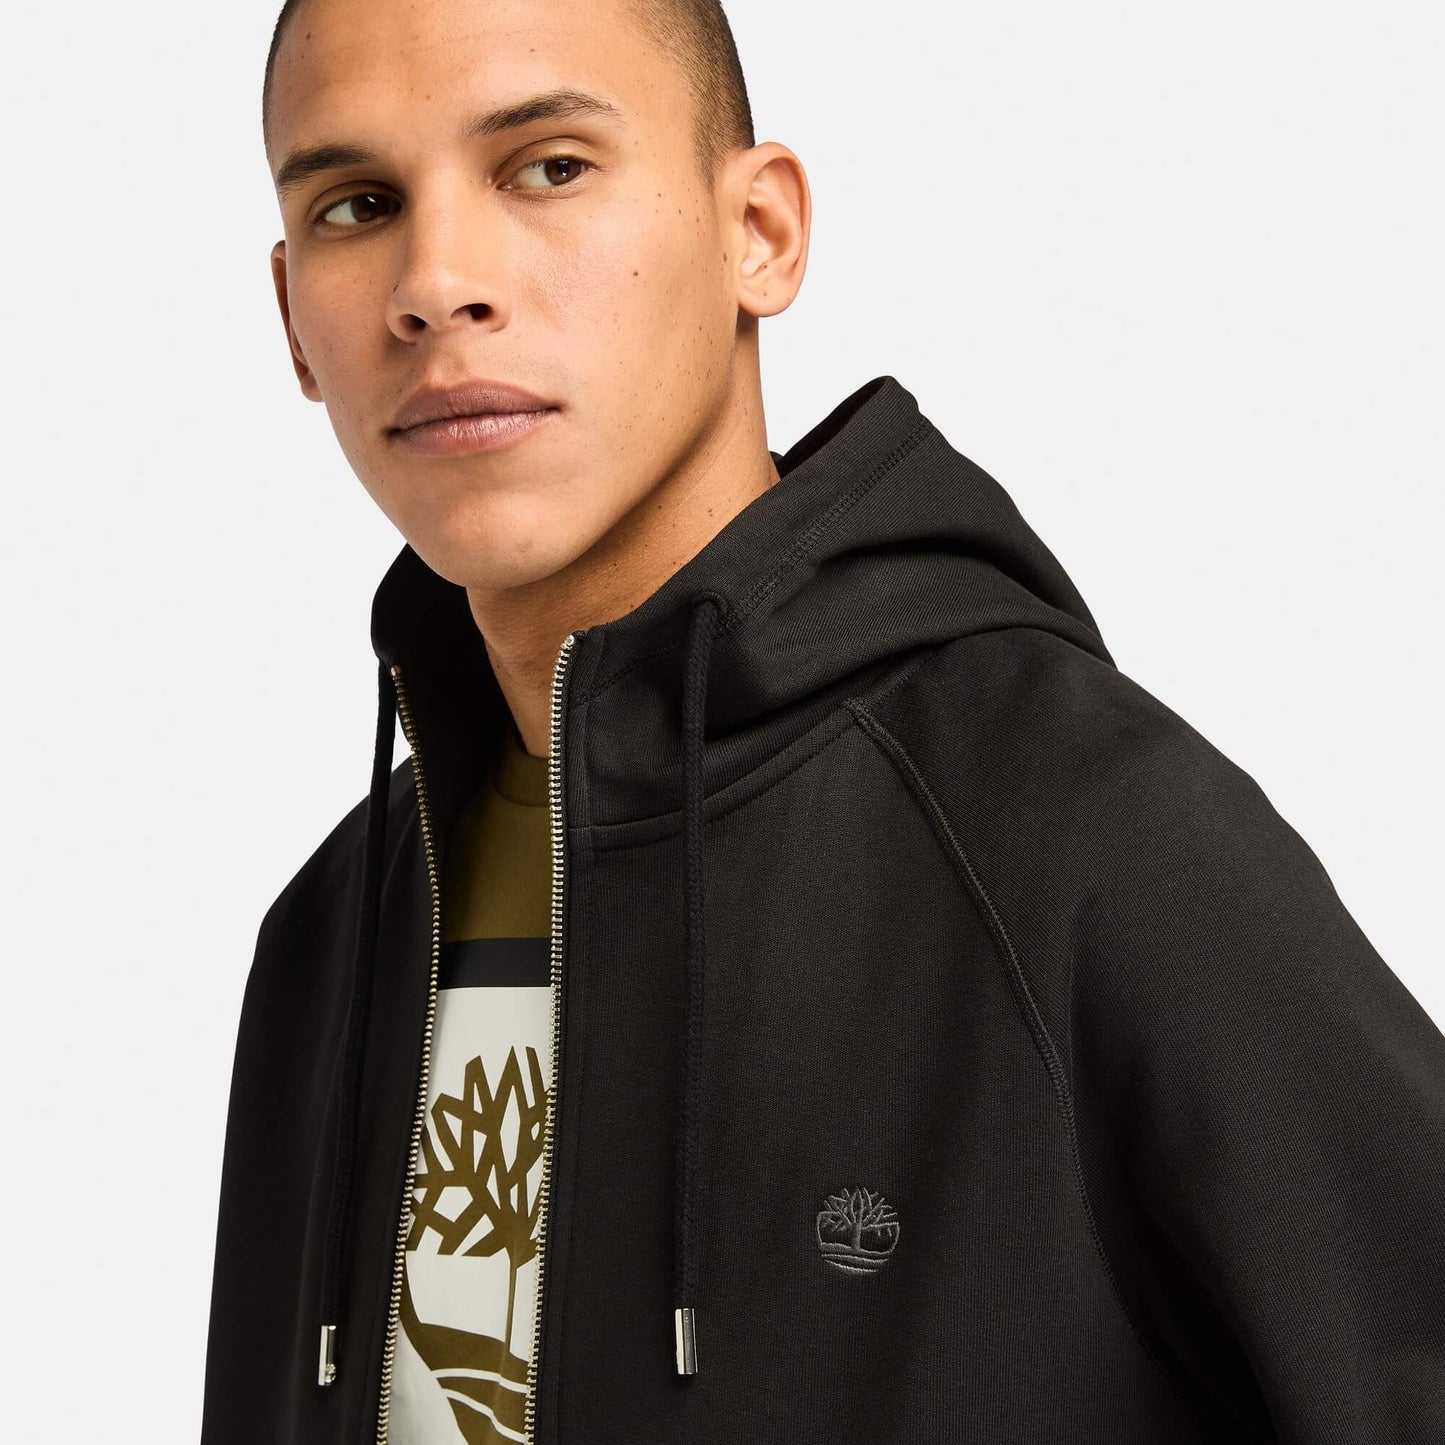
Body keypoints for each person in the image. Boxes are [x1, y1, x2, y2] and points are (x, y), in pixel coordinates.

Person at [202, 0, 1445, 1440]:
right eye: (359, 205)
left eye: (547, 167)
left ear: (762, 232)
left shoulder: (1075, 840)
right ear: (293, 317)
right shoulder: (331, 937)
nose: (436, 284)